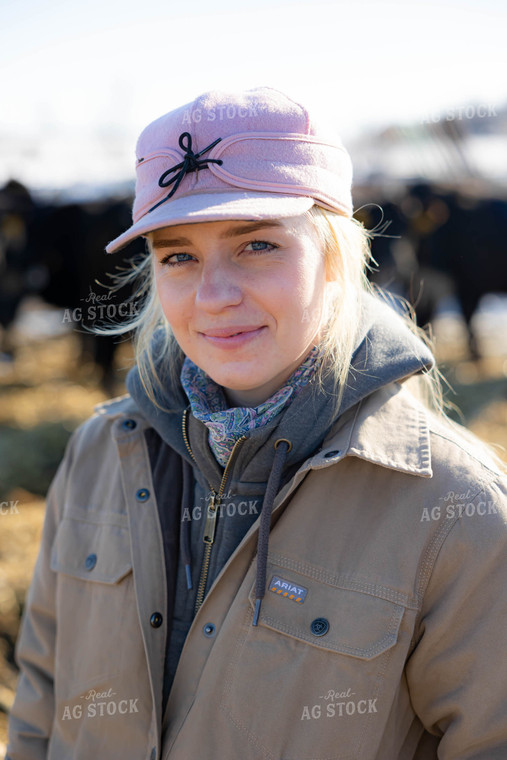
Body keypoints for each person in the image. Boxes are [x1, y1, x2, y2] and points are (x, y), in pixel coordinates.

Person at [5, 87, 507, 760]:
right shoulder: (100, 451)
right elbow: (40, 701)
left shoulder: (454, 507)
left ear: (336, 258)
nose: (212, 296)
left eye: (258, 245)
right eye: (177, 255)